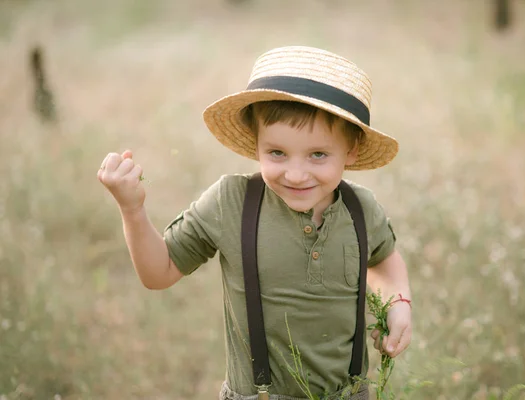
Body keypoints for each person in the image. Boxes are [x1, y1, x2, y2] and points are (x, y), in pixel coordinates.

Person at [97, 46, 412, 399]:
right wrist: (132, 210)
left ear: (351, 150)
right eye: (276, 153)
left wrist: (399, 303)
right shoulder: (231, 202)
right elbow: (160, 272)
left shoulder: (361, 208)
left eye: (318, 155)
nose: (295, 174)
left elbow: (384, 259)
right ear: (255, 142)